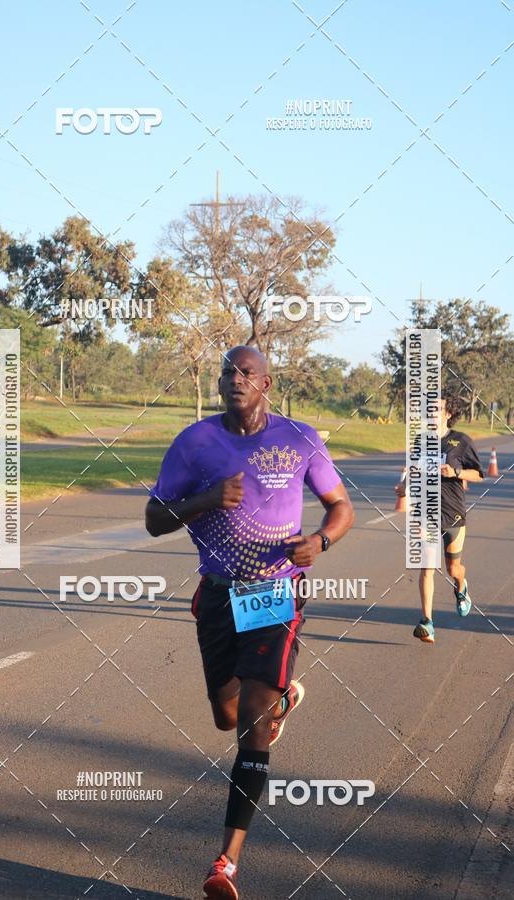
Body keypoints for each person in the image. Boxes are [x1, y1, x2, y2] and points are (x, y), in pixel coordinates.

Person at [145, 345, 354, 899]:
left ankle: (225, 863)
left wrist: (320, 541)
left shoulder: (300, 438)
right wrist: (208, 497)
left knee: (253, 726)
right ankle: (282, 700)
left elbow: (341, 508)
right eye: (227, 373)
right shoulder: (195, 443)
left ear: (267, 383)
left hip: (274, 592)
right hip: (217, 596)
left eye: (247, 373)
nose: (235, 380)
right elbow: (153, 520)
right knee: (226, 715)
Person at [395, 391, 484, 644]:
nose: (431, 413)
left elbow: (478, 475)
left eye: (437, 408)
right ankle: (427, 621)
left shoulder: (461, 441)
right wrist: (404, 487)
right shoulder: (420, 441)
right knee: (427, 568)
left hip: (454, 513)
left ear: (448, 413)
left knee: (453, 568)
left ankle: (461, 586)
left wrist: (455, 471)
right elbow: (413, 469)